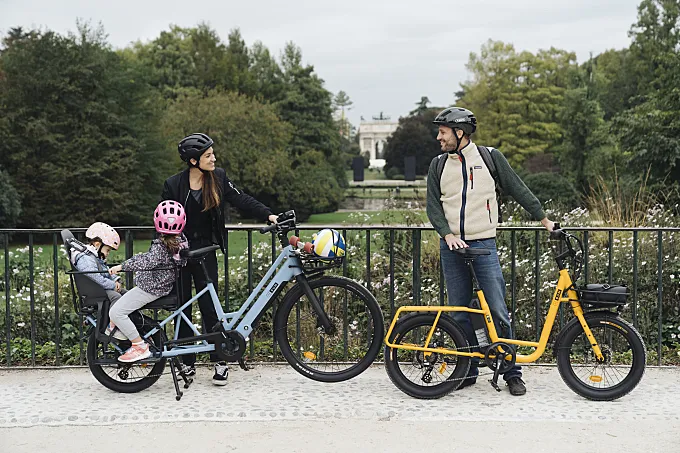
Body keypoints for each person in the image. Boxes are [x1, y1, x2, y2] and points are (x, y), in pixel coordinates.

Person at [426, 107, 555, 396]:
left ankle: (512, 372)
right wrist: (447, 235)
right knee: (459, 312)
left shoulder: (489, 158)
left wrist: (544, 219)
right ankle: (468, 369)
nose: (439, 137)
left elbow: (517, 188)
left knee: (497, 310)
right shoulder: (437, 165)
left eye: (443, 132)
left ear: (460, 133)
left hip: (483, 245)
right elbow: (433, 205)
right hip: (451, 247)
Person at [161, 133, 278, 385]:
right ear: (193, 161)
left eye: (212, 154)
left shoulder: (219, 178)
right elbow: (163, 220)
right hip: (179, 253)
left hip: (205, 251)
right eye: (208, 155)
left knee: (210, 307)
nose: (214, 158)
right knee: (182, 307)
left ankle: (220, 360)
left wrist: (268, 215)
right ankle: (186, 362)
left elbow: (241, 198)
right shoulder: (173, 185)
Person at [108, 200, 189, 363]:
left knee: (116, 312)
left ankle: (139, 346)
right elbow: (148, 259)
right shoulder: (180, 241)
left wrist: (122, 266)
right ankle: (119, 329)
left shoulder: (161, 246)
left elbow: (147, 262)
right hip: (158, 287)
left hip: (150, 289)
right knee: (120, 305)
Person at [70, 222, 126, 338]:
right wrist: (112, 285)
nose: (108, 254)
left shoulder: (93, 256)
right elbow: (94, 277)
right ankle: (113, 326)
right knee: (116, 297)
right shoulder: (86, 259)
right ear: (97, 244)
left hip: (98, 288)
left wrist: (116, 280)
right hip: (94, 291)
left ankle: (132, 322)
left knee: (127, 295)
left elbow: (104, 271)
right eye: (108, 250)